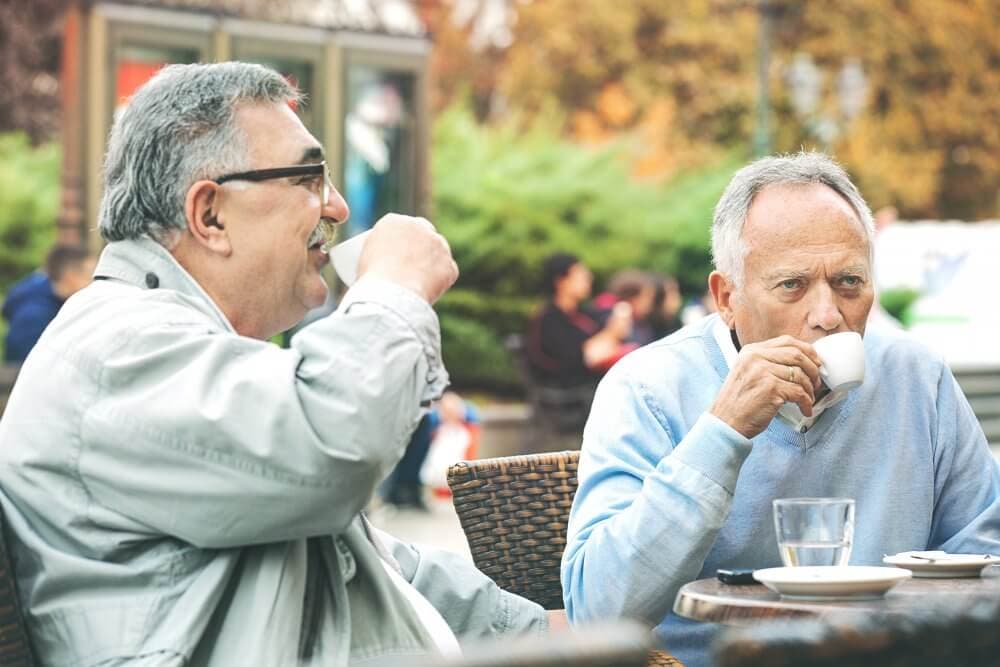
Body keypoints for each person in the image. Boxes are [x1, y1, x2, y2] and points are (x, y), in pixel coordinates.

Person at [0, 62, 551, 666]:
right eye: (309, 177)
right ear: (209, 215)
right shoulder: (116, 348)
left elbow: (372, 566)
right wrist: (393, 289)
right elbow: (337, 442)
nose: (336, 207)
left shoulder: (171, 342)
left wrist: (540, 632)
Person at [561, 152, 1000, 667]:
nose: (828, 315)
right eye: (792, 285)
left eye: (849, 283)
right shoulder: (649, 388)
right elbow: (599, 610)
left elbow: (984, 552)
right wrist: (722, 431)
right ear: (726, 296)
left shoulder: (916, 377)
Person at [525, 253, 635, 389]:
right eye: (581, 275)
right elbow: (578, 357)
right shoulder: (549, 318)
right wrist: (612, 333)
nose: (589, 278)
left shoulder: (582, 313)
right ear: (561, 281)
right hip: (567, 387)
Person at [1, 244, 95, 363]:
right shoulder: (33, 317)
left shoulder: (53, 298)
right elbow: (26, 368)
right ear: (71, 276)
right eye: (90, 276)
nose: (95, 283)